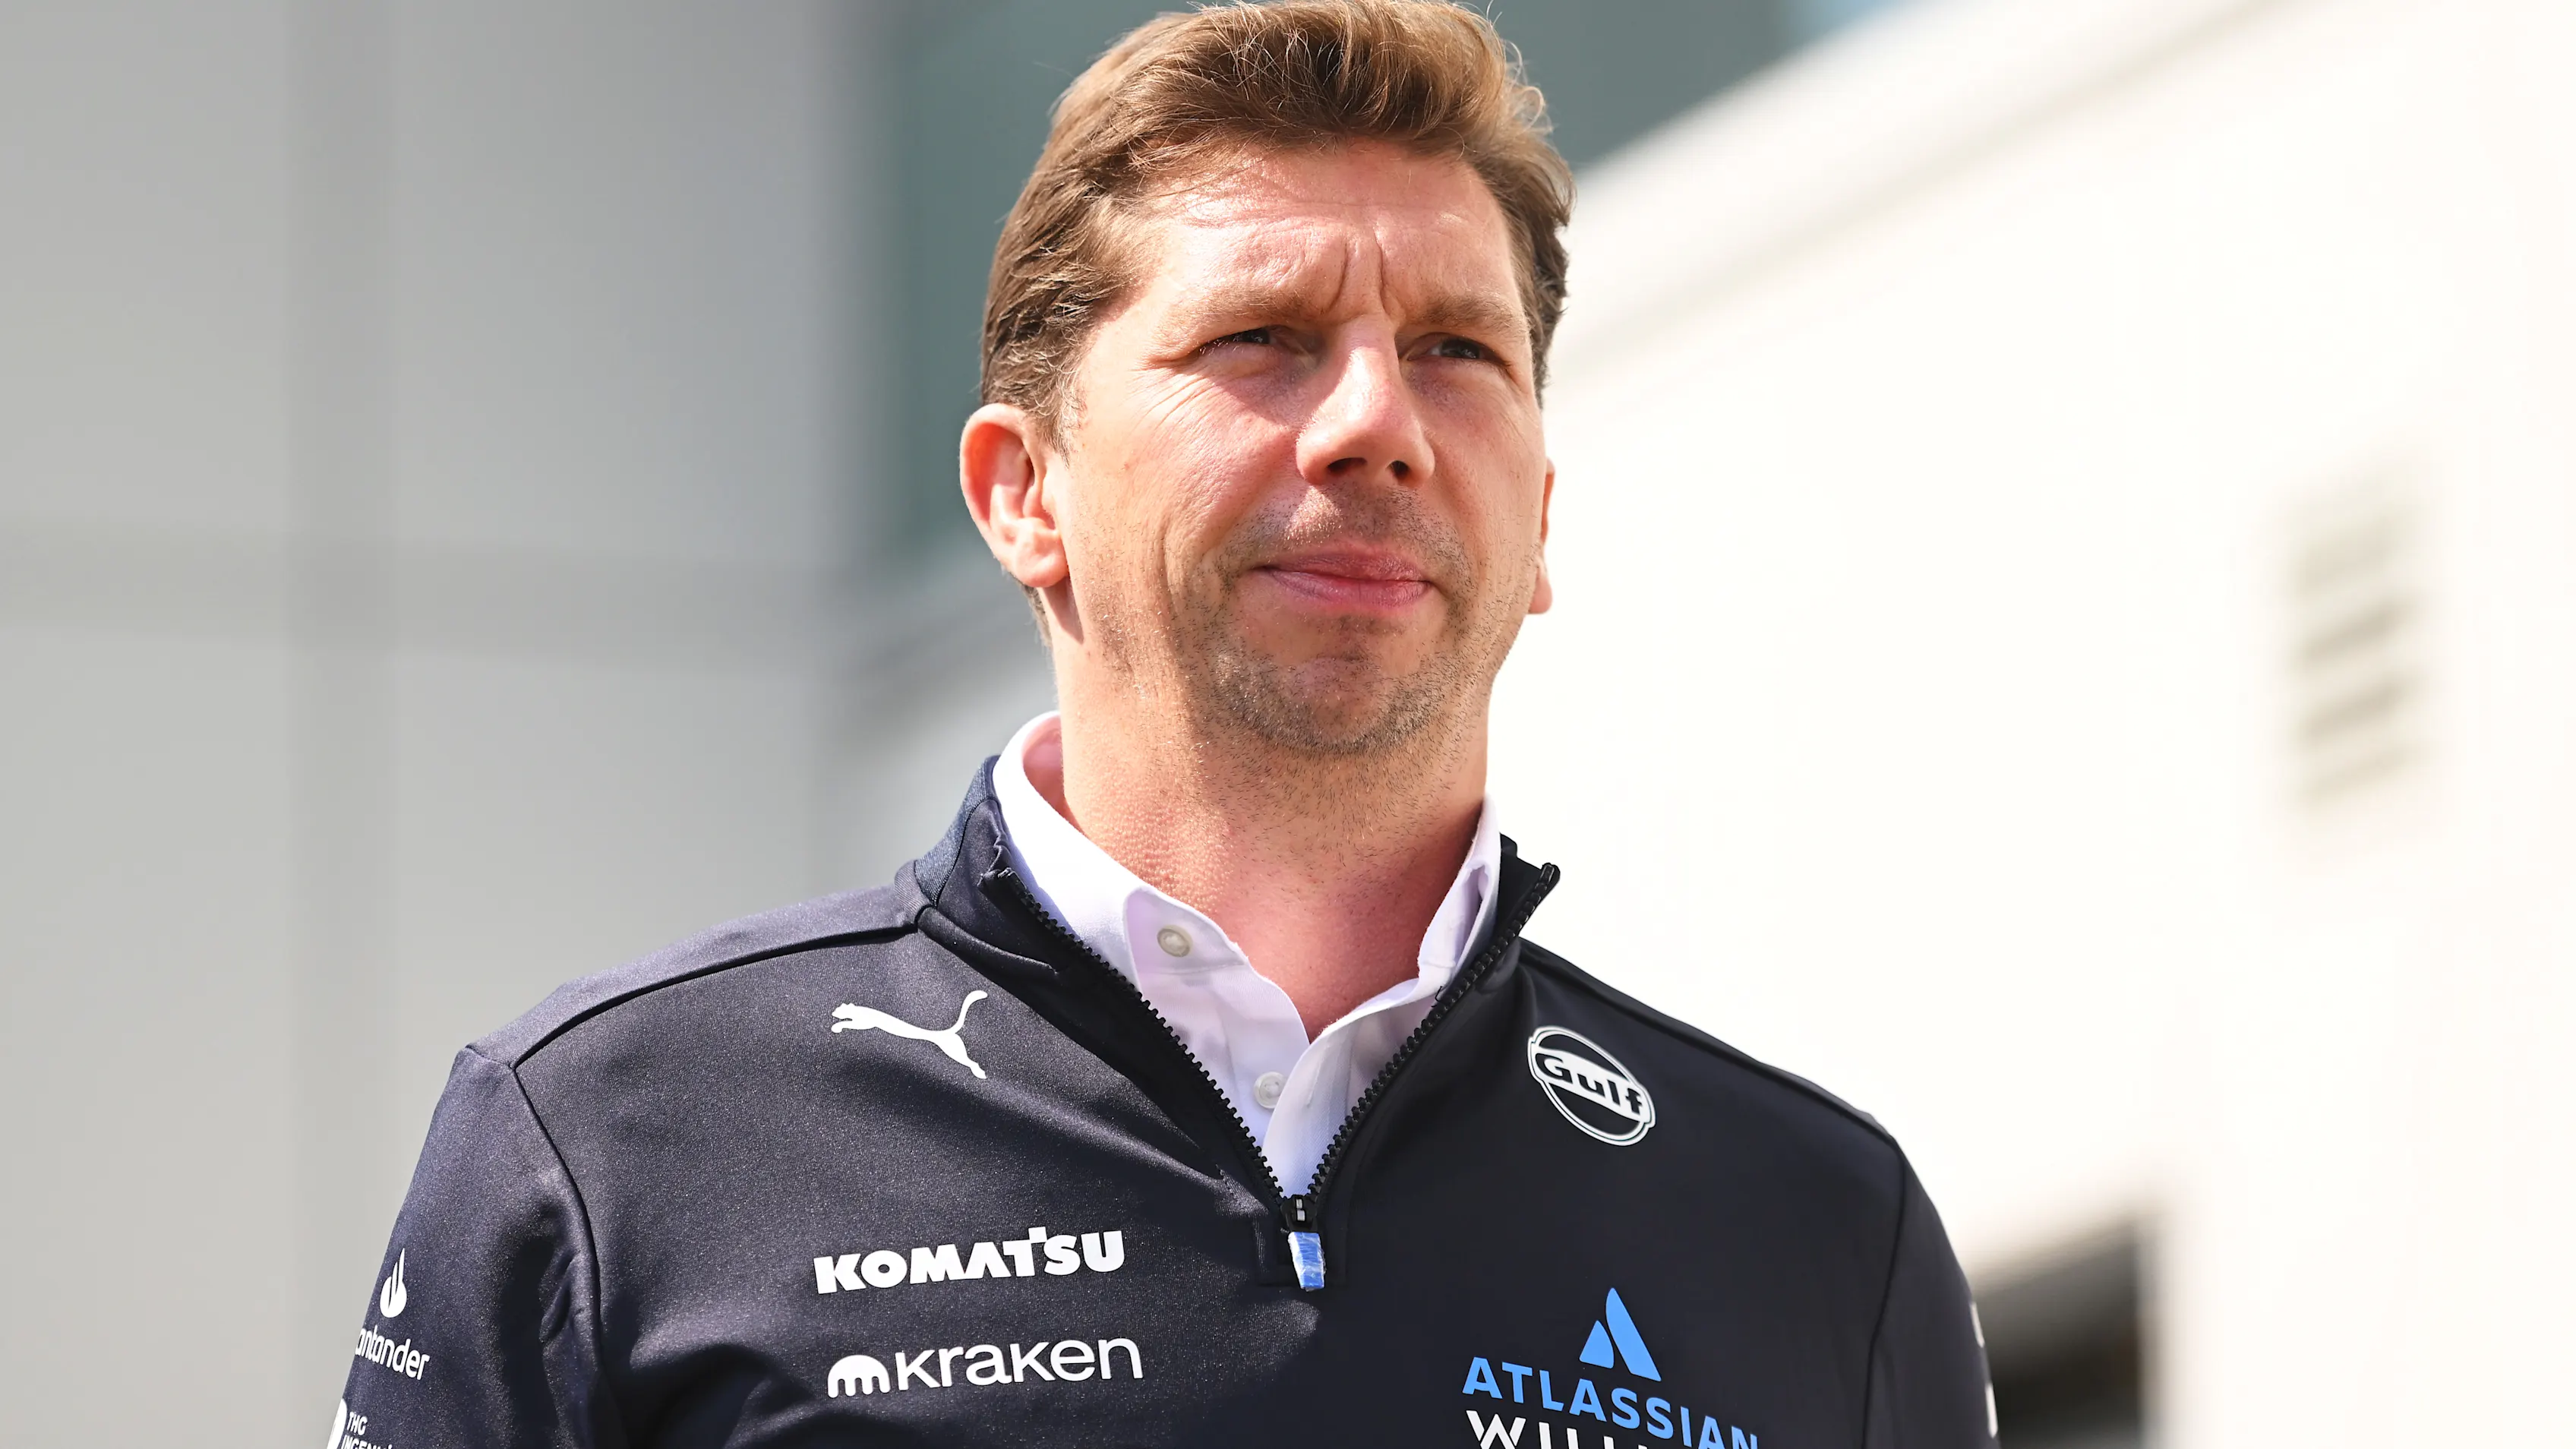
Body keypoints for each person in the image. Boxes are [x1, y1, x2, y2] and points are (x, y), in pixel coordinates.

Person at [327, 4, 1994, 1446]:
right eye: (1262, 340)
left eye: (1453, 349)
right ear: (1022, 493)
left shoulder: (1817, 1232)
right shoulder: (611, 1144)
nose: (1372, 425)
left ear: (1538, 517)